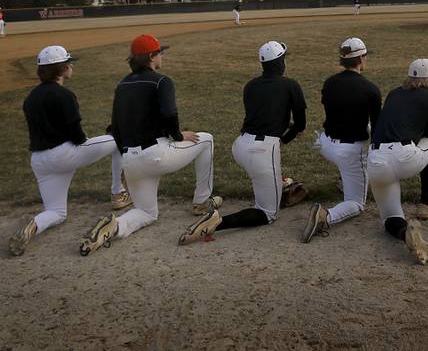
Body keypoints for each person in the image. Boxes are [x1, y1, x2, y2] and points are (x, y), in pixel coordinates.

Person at [79, 34, 220, 255]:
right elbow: (169, 112)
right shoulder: (162, 81)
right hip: (156, 155)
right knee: (207, 139)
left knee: (146, 213)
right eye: (160, 52)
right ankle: (202, 201)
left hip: (131, 161)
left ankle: (114, 226)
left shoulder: (122, 84)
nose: (162, 56)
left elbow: (114, 127)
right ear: (152, 56)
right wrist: (178, 135)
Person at [178, 41, 307, 245]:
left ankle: (277, 184)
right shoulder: (291, 84)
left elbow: (265, 113)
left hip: (240, 146)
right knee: (268, 213)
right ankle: (215, 222)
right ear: (280, 62)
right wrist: (286, 138)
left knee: (261, 176)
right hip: (261, 151)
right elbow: (301, 124)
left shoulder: (251, 85)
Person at [9, 46, 126, 256]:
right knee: (118, 140)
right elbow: (78, 137)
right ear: (61, 68)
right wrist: (91, 142)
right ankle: (119, 193)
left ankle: (33, 225)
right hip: (64, 154)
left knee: (56, 212)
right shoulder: (64, 95)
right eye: (68, 63)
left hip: (39, 160)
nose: (71, 66)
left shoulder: (30, 98)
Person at [366, 58, 428, 264]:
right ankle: (427, 201)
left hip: (376, 162)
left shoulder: (394, 93)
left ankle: (405, 234)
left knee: (391, 219)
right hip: (406, 158)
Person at [302, 37, 381, 243]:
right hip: (349, 151)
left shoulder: (329, 83)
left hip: (325, 144)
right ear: (361, 59)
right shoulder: (370, 88)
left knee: (358, 135)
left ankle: (344, 178)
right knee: (356, 203)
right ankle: (326, 216)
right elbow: (378, 129)